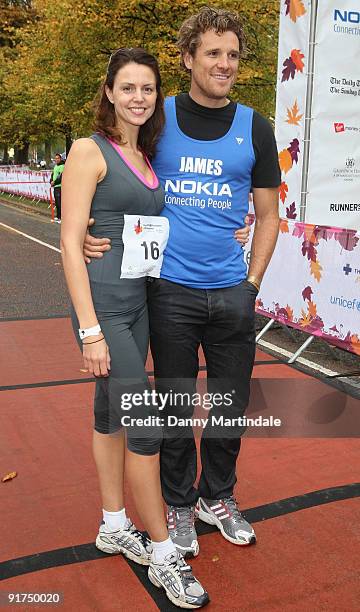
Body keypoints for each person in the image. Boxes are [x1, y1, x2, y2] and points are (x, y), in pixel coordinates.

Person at [84, 6, 280, 559]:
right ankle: (176, 501)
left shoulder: (256, 127)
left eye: (233, 54)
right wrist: (77, 228)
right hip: (167, 291)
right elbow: (106, 167)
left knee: (229, 405)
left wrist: (253, 282)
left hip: (232, 293)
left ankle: (216, 497)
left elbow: (269, 215)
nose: (225, 64)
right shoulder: (157, 119)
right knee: (172, 406)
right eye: (213, 53)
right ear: (188, 58)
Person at [61, 47, 209, 609]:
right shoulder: (87, 150)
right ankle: (165, 552)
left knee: (109, 412)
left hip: (140, 301)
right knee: (144, 426)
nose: (139, 97)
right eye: (128, 88)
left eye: (148, 88)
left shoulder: (143, 155)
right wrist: (89, 332)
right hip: (104, 307)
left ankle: (113, 523)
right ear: (109, 92)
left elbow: (144, 227)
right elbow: (71, 245)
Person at [50, 153, 65, 223]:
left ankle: (61, 218)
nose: (56, 159)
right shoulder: (55, 166)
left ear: (60, 159)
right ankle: (58, 216)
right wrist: (51, 181)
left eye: (58, 158)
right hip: (55, 187)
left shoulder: (62, 166)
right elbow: (53, 174)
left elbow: (60, 176)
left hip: (60, 186)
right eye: (55, 158)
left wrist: (54, 182)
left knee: (60, 203)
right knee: (57, 202)